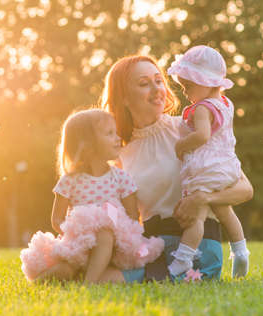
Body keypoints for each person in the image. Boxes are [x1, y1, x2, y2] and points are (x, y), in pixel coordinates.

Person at [99, 54, 254, 283]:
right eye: (144, 84)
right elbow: (127, 216)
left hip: (196, 250)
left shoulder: (191, 129)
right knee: (91, 272)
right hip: (154, 247)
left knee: (105, 279)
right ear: (123, 98)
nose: (156, 89)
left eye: (158, 80)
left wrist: (203, 198)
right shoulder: (120, 154)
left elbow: (245, 190)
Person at [20, 109, 164, 283]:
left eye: (115, 132)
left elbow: (133, 216)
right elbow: (57, 219)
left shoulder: (121, 178)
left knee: (104, 235)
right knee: (65, 270)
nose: (118, 138)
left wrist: (114, 228)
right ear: (87, 145)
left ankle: (90, 283)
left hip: (112, 245)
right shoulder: (70, 180)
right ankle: (42, 281)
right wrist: (79, 234)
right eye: (110, 134)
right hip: (79, 243)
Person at [165, 45, 250, 278]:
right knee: (225, 212)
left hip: (207, 168)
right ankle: (241, 251)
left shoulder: (202, 108)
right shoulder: (225, 103)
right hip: (227, 166)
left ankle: (182, 260)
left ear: (205, 81)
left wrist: (181, 145)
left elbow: (202, 136)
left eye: (188, 86)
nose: (185, 92)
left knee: (197, 217)